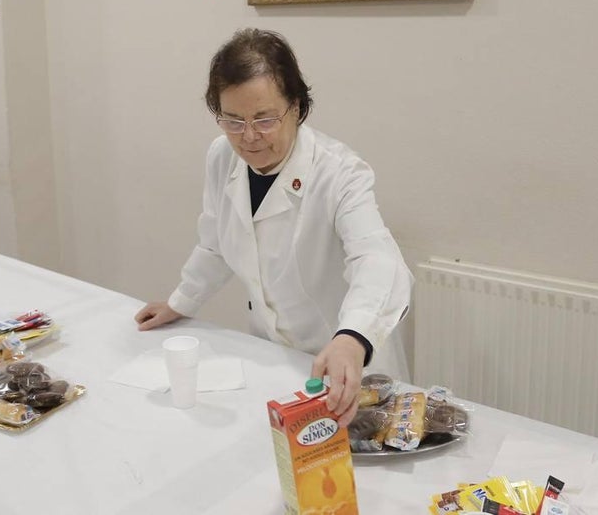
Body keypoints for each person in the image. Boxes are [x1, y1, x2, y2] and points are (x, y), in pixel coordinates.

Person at [135, 29, 412, 426]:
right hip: (274, 357)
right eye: (233, 120)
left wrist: (353, 337)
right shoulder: (221, 158)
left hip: (346, 364)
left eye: (264, 119)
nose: (248, 137)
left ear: (296, 108)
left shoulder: (340, 172)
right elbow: (215, 243)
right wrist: (180, 301)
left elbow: (378, 258)